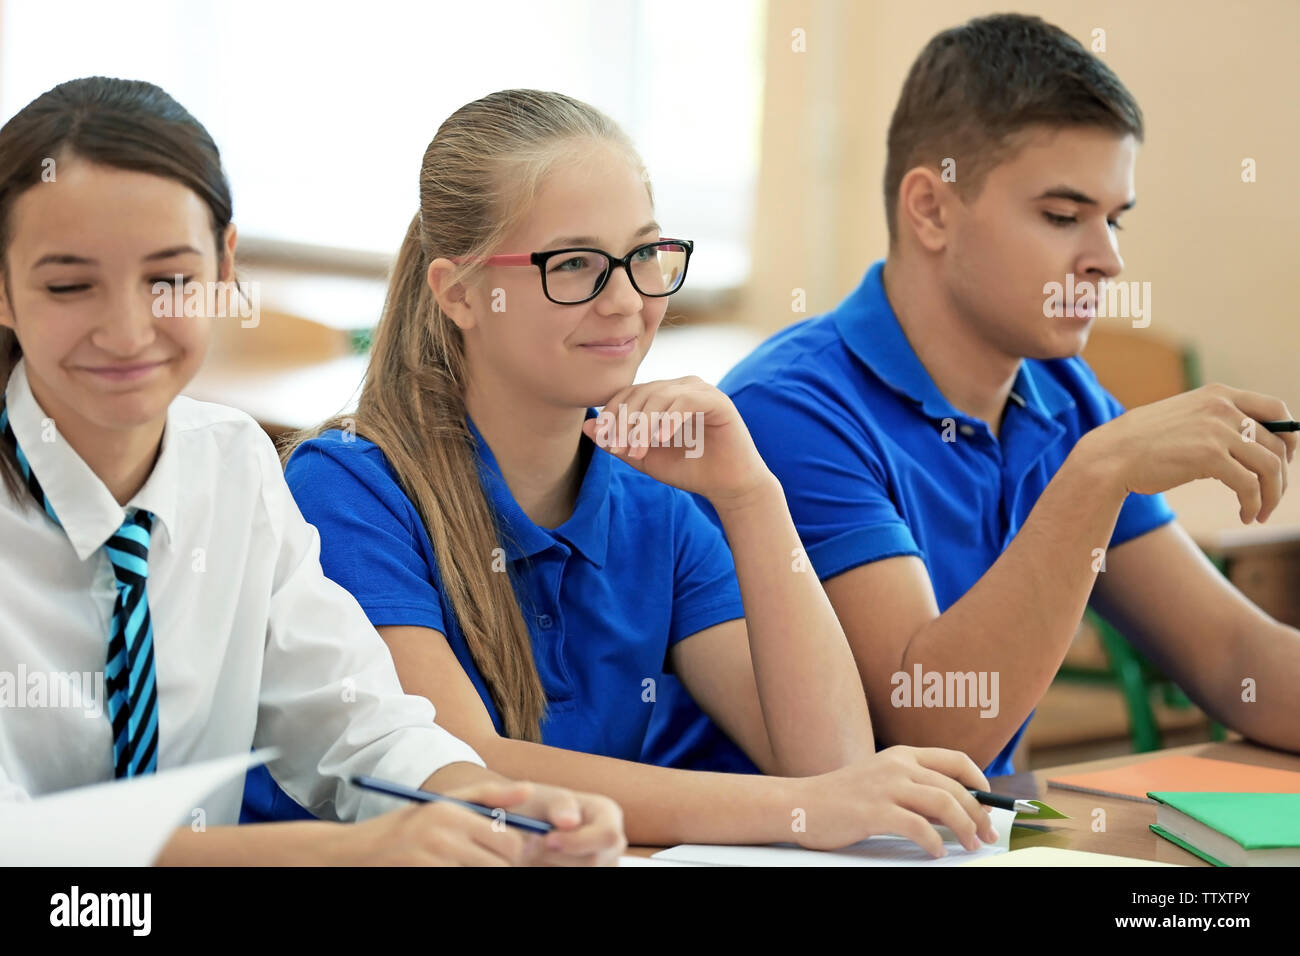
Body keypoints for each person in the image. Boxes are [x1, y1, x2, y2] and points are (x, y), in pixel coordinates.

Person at [243, 88, 998, 857]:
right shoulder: (346, 491)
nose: (627, 300)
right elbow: (466, 772)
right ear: (460, 293)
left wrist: (751, 496)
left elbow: (828, 764)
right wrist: (803, 809)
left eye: (643, 256)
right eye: (574, 265)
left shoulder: (657, 503)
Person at [0, 76, 625, 865]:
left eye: (170, 280)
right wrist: (349, 853)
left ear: (225, 267)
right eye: (68, 285)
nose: (128, 331)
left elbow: (356, 719)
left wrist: (492, 805)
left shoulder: (231, 462)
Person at [704, 13, 1300, 775]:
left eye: (1114, 220)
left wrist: (1096, 460)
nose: (1108, 260)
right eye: (1062, 216)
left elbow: (1232, 654)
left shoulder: (1061, 395)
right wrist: (1098, 472)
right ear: (931, 208)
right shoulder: (789, 411)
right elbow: (930, 735)